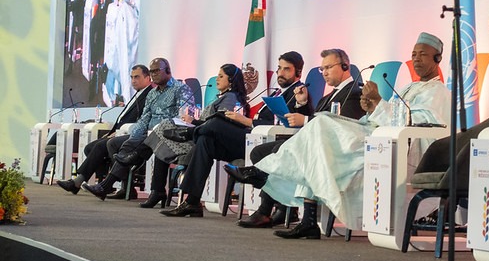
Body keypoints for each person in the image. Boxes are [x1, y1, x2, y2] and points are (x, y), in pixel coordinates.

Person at [256, 33, 450, 239]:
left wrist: (378, 104)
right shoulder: (408, 87)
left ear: (437, 58)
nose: (416, 59)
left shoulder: (439, 92)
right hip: (381, 139)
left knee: (319, 130)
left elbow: (416, 123)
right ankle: (306, 219)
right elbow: (388, 116)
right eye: (413, 54)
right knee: (317, 142)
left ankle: (266, 173)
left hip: (402, 151)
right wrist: (372, 108)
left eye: (423, 55)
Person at [161, 49, 363, 218]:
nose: (280, 73)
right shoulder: (304, 94)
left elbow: (333, 126)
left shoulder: (350, 93)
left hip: (274, 138)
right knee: (206, 139)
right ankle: (192, 201)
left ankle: (191, 133)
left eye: (286, 69)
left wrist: (297, 107)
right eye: (279, 68)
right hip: (256, 135)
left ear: (345, 66)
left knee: (214, 124)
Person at [225, 49, 366, 228]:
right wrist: (303, 103)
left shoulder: (355, 93)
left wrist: (305, 119)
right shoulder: (328, 96)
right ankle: (279, 205)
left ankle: (264, 202)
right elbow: (312, 123)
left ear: (345, 66)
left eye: (329, 67)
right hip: (314, 146)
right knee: (260, 151)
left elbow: (340, 127)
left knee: (275, 153)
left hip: (335, 153)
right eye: (322, 69)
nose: (324, 73)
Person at [137, 64, 248, 208]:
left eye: (221, 76)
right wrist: (193, 122)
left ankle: (142, 158)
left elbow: (219, 125)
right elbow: (210, 124)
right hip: (201, 136)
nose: (217, 80)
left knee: (166, 128)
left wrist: (193, 123)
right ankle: (160, 190)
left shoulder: (230, 98)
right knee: (165, 133)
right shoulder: (222, 97)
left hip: (205, 141)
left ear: (231, 80)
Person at [82, 57, 193, 200]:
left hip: (167, 135)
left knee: (136, 146)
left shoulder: (181, 88)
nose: (153, 74)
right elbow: (145, 118)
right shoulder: (152, 93)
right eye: (151, 71)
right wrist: (135, 135)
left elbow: (183, 117)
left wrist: (158, 130)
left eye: (156, 71)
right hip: (147, 134)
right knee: (115, 142)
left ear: (168, 70)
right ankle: (124, 187)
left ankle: (107, 185)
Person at [55, 64, 153, 197]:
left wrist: (118, 132)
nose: (133, 80)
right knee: (89, 148)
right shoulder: (138, 94)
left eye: (137, 77)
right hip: (119, 133)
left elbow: (142, 119)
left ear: (147, 78)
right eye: (131, 77)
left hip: (131, 135)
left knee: (102, 146)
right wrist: (112, 132)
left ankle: (79, 182)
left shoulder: (150, 94)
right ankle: (107, 184)